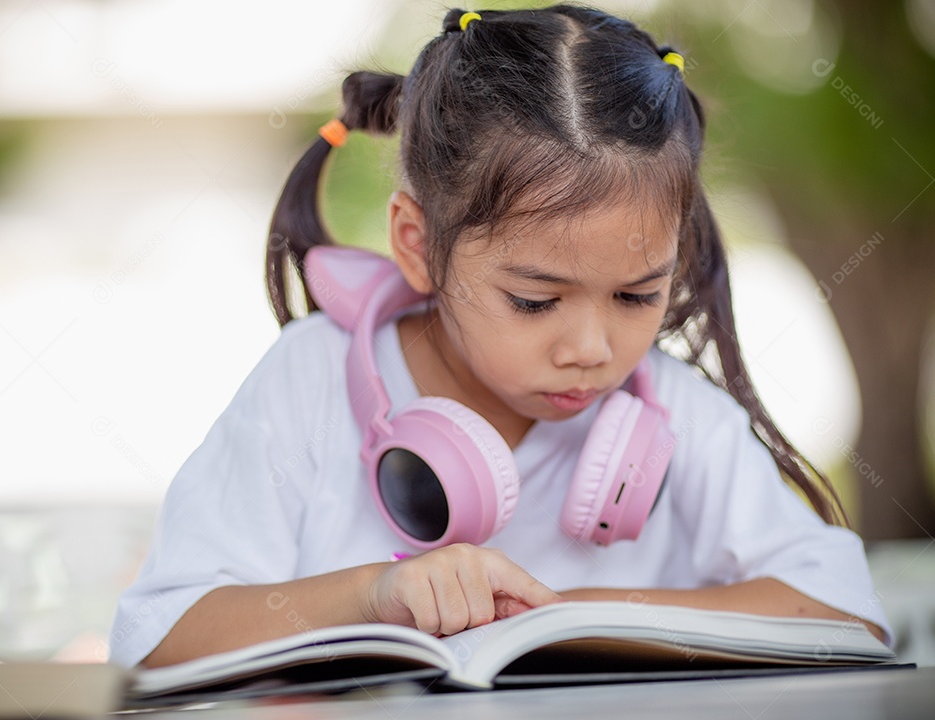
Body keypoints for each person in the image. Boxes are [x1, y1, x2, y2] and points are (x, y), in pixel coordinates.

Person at [109, 5, 892, 669]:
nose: (591, 347)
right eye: (533, 300)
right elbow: (157, 638)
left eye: (635, 294)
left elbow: (842, 611)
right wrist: (374, 599)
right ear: (417, 245)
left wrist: (571, 616)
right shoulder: (308, 381)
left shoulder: (677, 414)